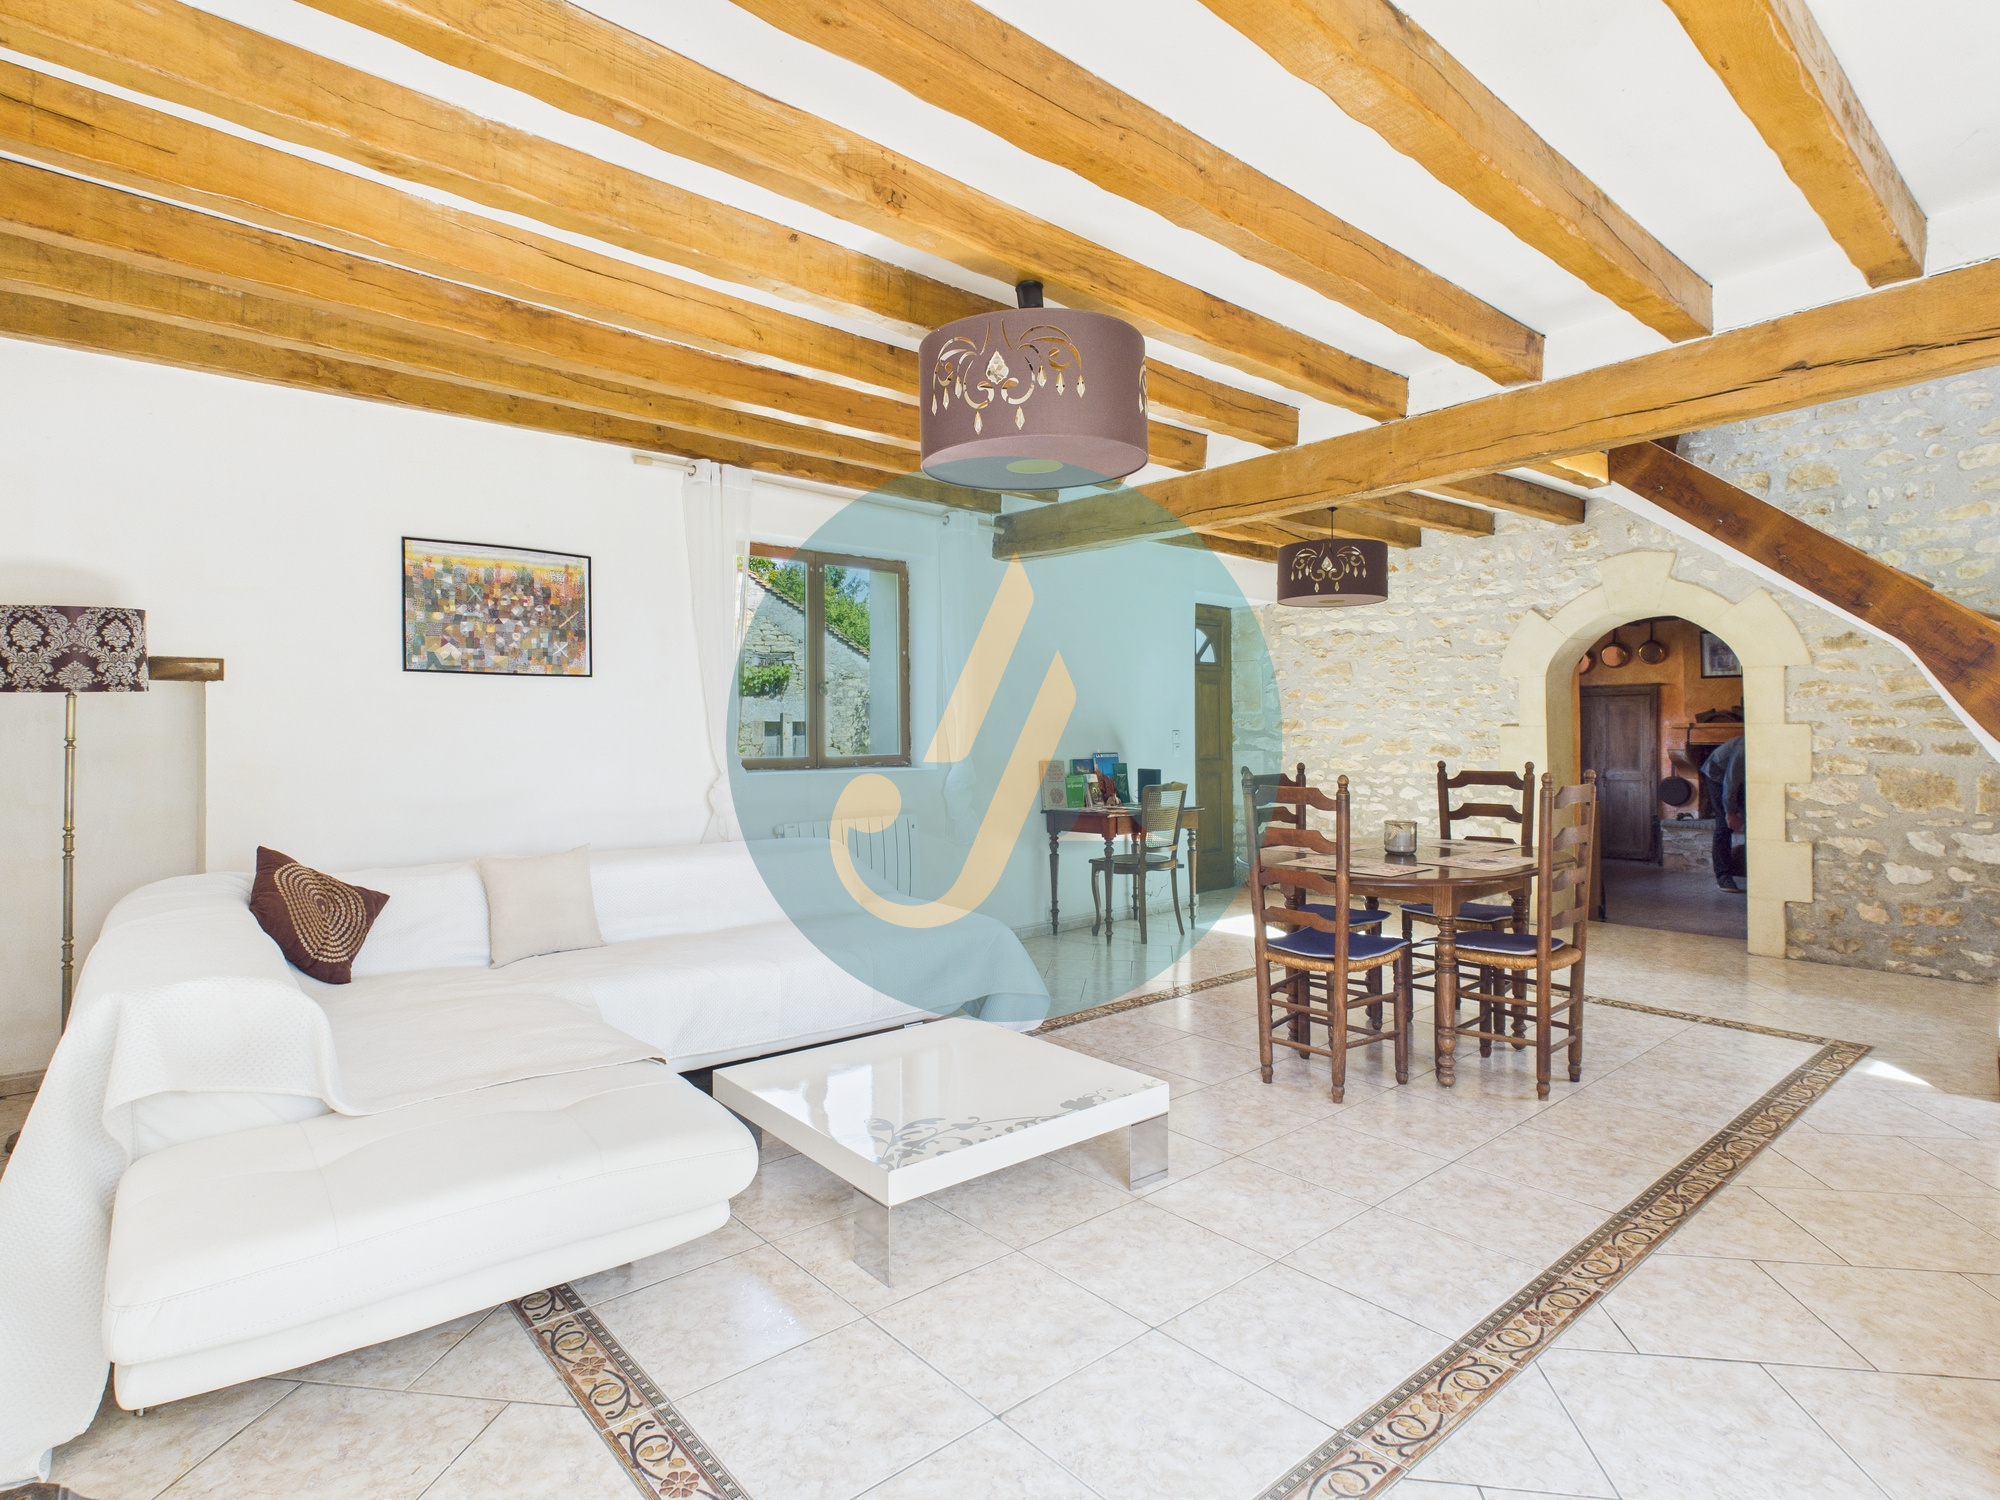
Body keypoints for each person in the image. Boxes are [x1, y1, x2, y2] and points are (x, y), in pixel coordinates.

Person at [1703, 733, 1747, 892]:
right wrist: (1730, 812)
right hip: (1717, 776)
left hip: (1742, 780)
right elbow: (1731, 781)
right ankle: (1723, 878)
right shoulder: (1744, 748)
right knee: (1724, 825)